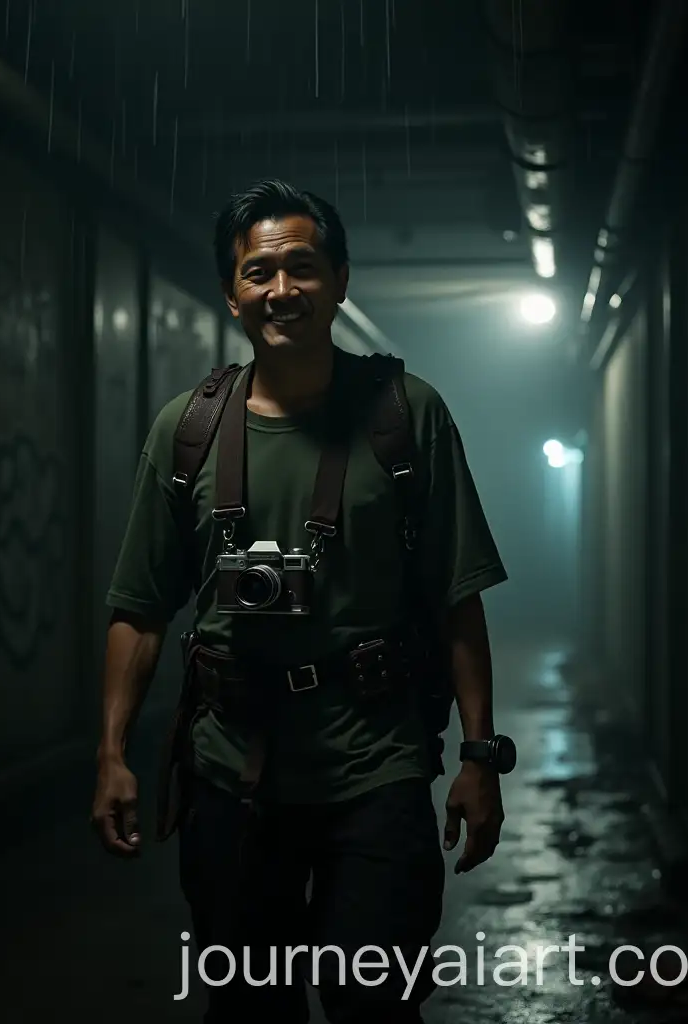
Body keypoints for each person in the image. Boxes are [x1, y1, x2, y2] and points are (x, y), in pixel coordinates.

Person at [91, 179, 509, 1024]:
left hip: (377, 762)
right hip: (229, 769)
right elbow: (140, 609)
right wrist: (111, 752)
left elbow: (458, 600)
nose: (282, 290)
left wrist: (479, 756)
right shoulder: (189, 429)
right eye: (259, 273)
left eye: (303, 268)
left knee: (372, 1003)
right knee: (249, 1009)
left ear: (341, 279)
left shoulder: (406, 416)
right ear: (231, 293)